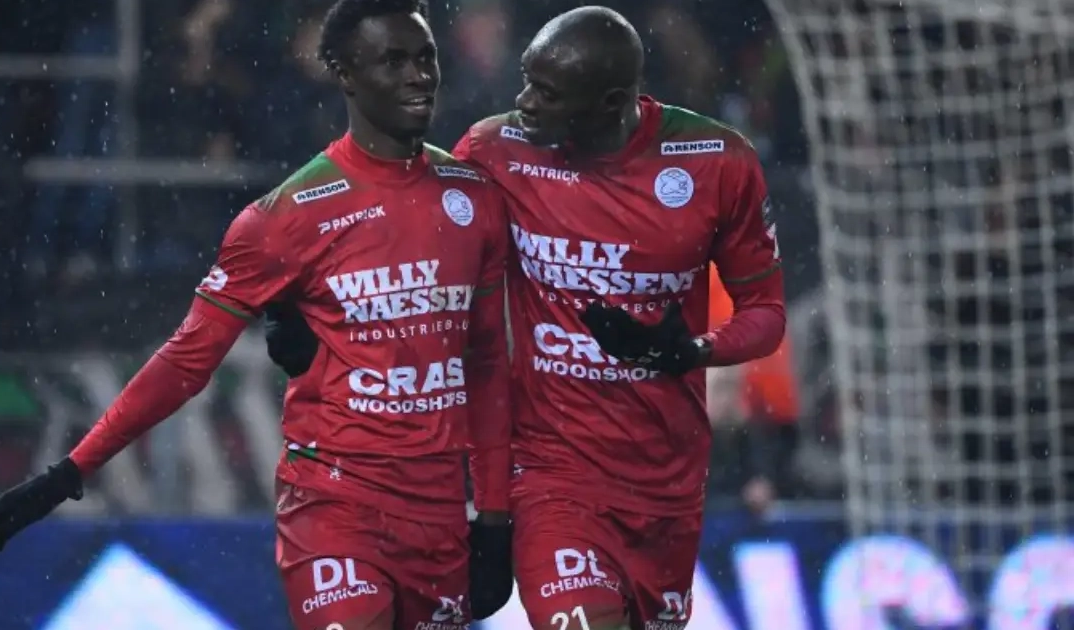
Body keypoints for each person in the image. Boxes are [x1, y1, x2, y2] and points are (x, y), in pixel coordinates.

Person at [0, 1, 514, 628]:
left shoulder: (471, 197)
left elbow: (486, 365)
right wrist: (70, 471)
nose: (417, 75)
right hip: (334, 509)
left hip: (441, 517)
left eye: (425, 58)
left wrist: (495, 517)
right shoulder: (287, 215)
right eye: (392, 60)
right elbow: (185, 360)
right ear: (344, 73)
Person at [266, 6, 787, 629]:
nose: (524, 103)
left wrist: (691, 351)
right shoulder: (496, 151)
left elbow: (766, 313)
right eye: (526, 81)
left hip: (667, 480)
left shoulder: (717, 162)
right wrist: (300, 307)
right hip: (548, 470)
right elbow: (400, 221)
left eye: (547, 93)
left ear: (611, 101)